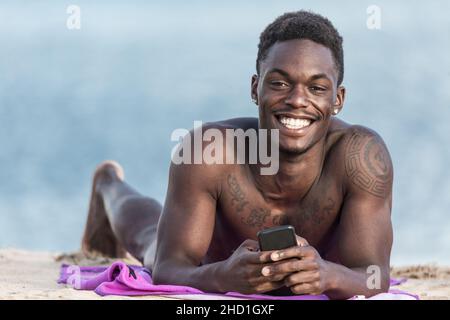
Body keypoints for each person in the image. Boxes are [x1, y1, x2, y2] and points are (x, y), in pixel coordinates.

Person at [81, 11, 393, 299]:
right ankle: (107, 185)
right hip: (215, 259)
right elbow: (168, 268)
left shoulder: (361, 157)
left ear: (338, 99)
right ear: (256, 88)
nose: (298, 100)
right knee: (151, 242)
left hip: (316, 267)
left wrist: (327, 275)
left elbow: (376, 275)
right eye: (280, 83)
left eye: (317, 88)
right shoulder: (209, 150)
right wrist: (222, 276)